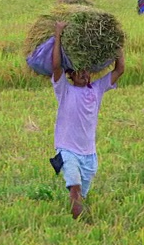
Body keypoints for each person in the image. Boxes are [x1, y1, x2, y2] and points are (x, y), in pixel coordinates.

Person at [50, 21, 125, 219]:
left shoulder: (97, 89)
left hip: (89, 154)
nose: (84, 74)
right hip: (67, 149)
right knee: (75, 190)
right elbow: (56, 66)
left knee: (81, 193)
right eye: (79, 71)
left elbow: (119, 70)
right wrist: (58, 34)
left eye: (86, 71)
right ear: (71, 75)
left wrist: (118, 43)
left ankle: (76, 220)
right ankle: (81, 225)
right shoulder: (64, 90)